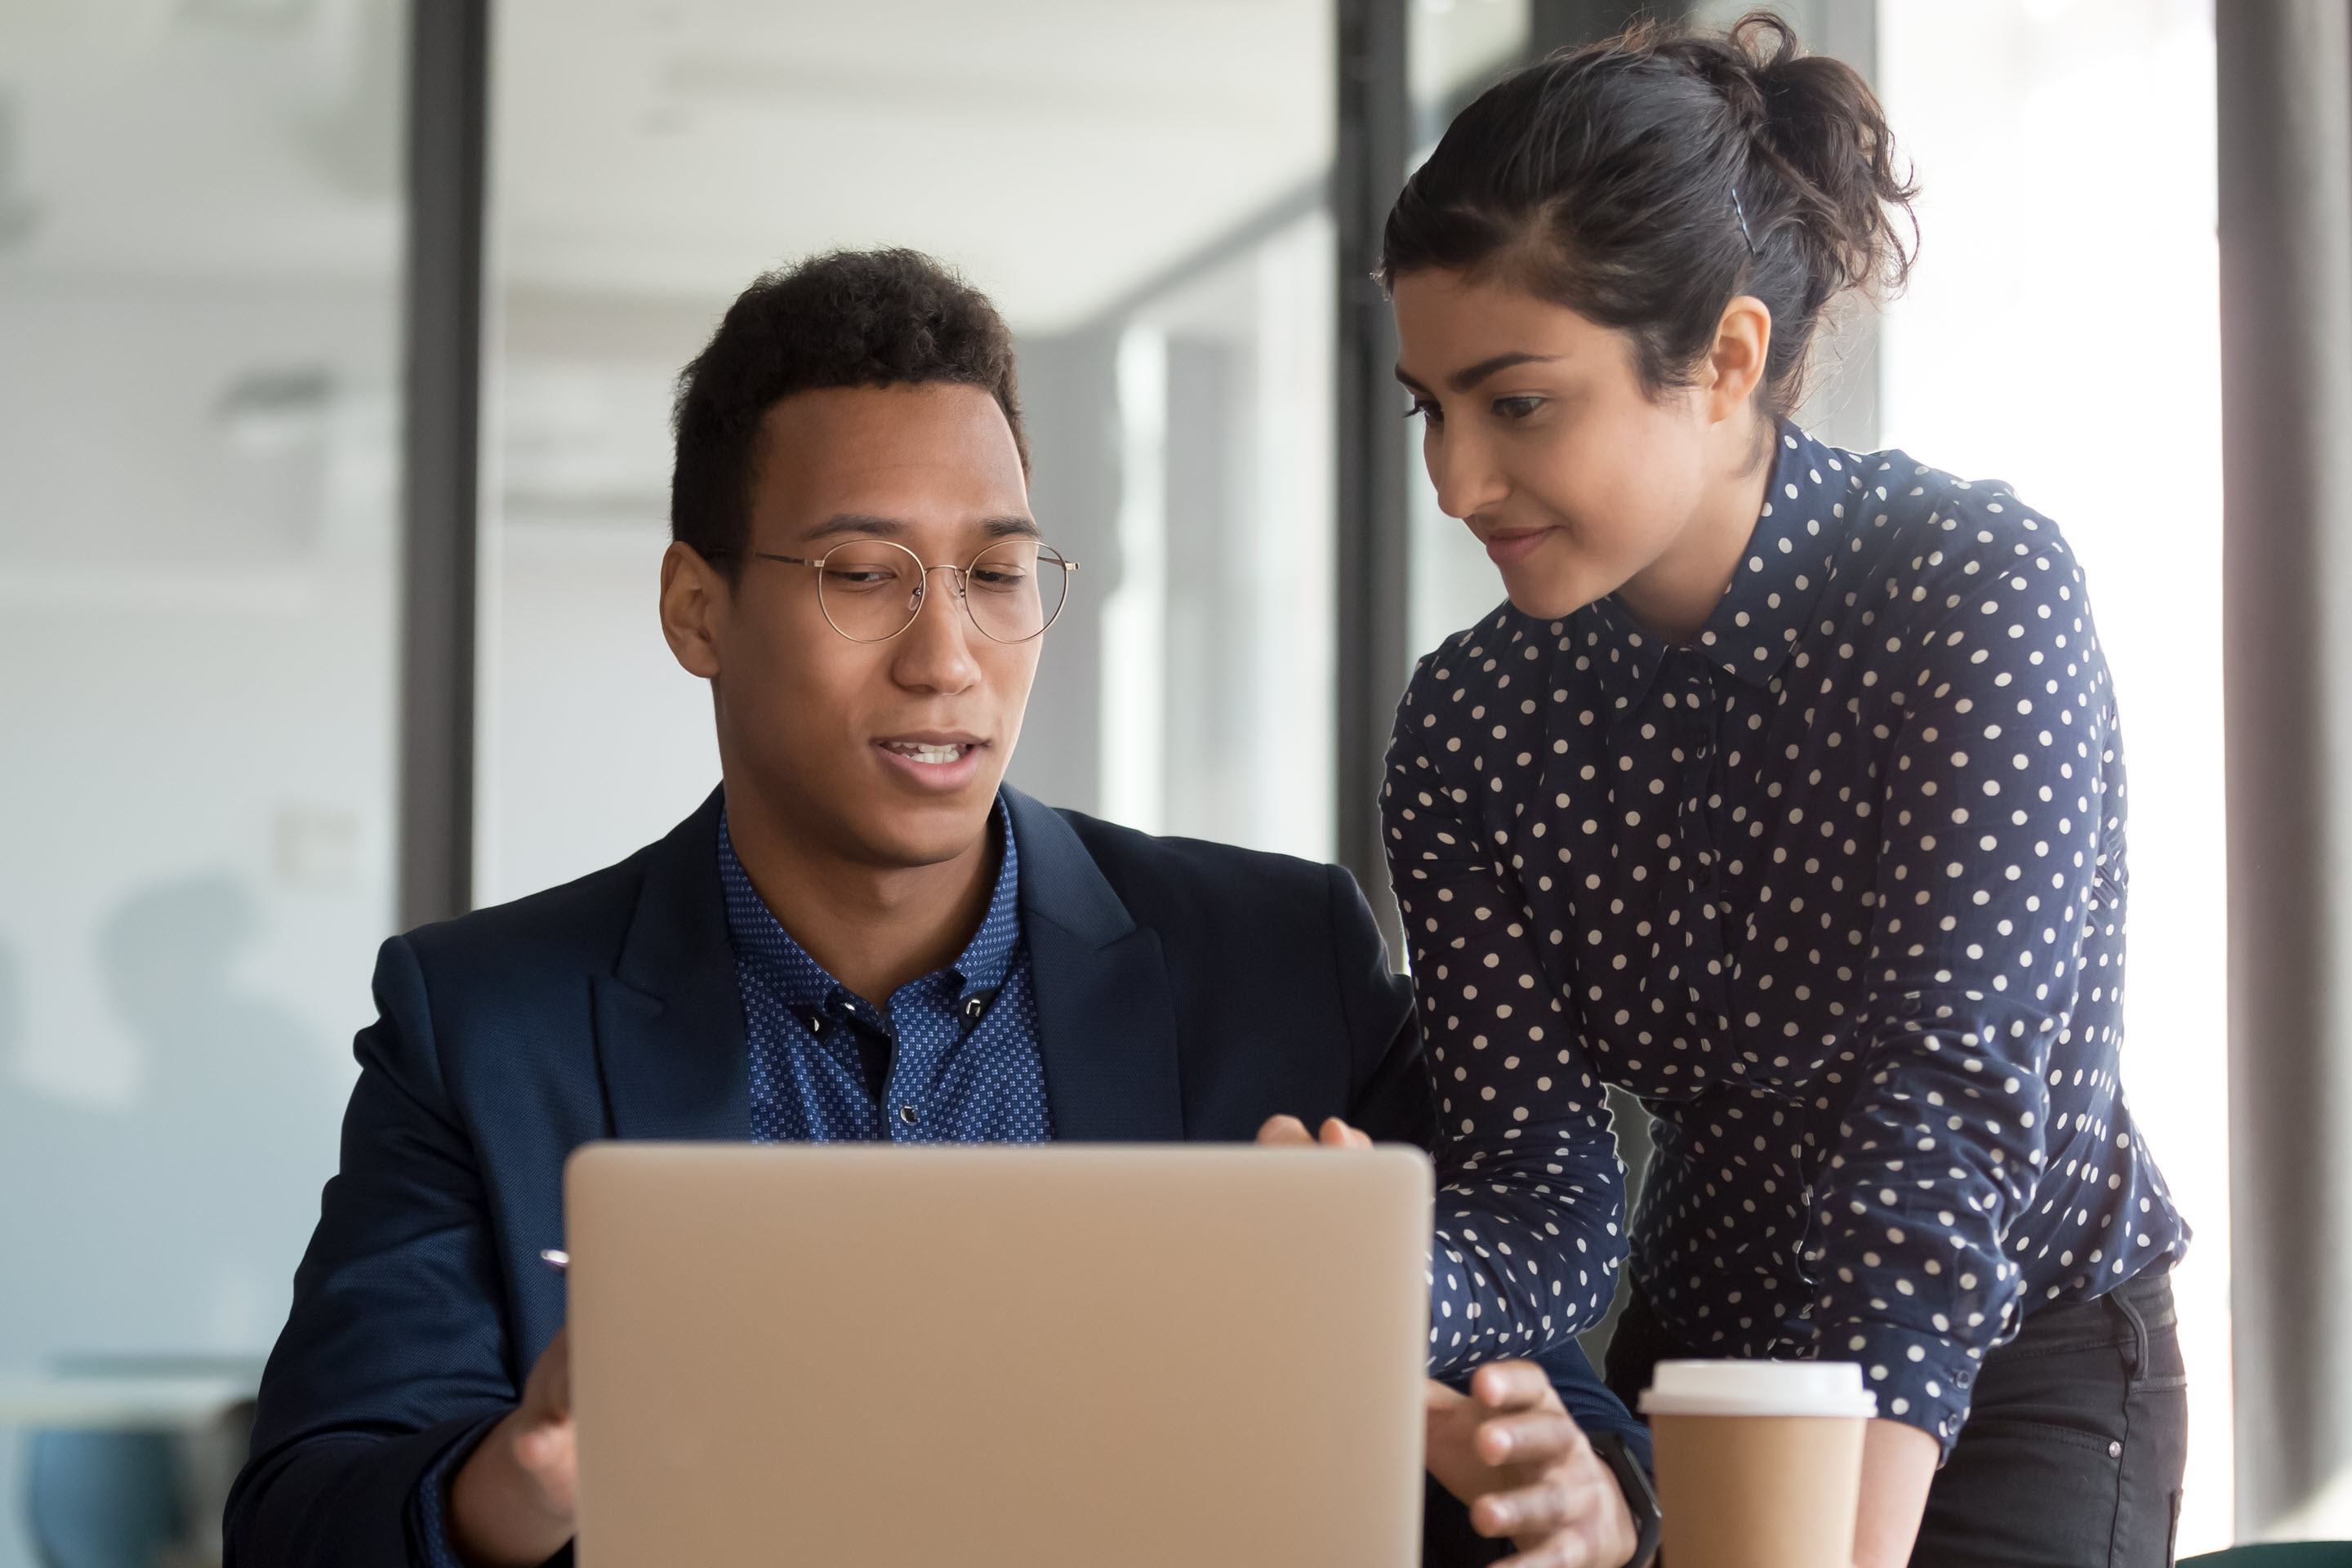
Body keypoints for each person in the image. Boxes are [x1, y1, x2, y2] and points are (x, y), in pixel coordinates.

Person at [222, 248, 1647, 1568]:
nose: (948, 659)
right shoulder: (484, 1024)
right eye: (862, 577)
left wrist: (1575, 1502)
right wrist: (523, 1477)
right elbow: (301, 1515)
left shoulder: (1284, 967)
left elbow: (1557, 1435)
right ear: (696, 610)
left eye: (996, 574)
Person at [1368, 15, 2188, 1568]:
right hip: (1708, 1365)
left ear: (1728, 358)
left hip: (2022, 1354)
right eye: (1432, 407)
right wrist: (1371, 1280)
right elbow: (1542, 1192)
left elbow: (1943, 1116)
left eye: (1516, 402)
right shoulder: (1470, 729)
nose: (1456, 483)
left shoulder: (1969, 592)